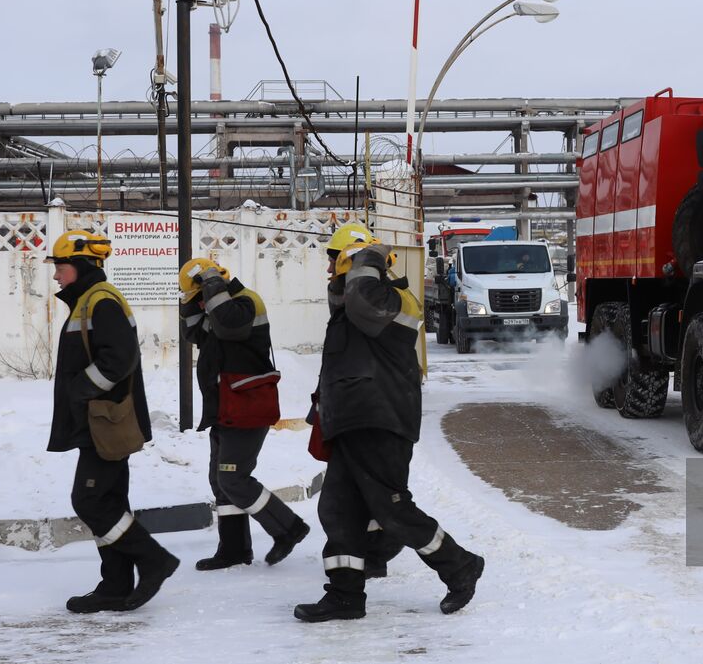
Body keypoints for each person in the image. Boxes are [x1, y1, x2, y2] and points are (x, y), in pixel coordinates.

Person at [294, 224, 485, 623]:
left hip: (381, 421)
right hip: (353, 421)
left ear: (353, 261)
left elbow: (363, 299)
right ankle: (345, 596)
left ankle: (459, 564)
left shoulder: (397, 301)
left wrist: (367, 256)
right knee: (338, 509)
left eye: (334, 261)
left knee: (392, 509)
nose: (329, 271)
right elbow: (345, 302)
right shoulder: (351, 310)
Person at [45, 229, 179, 614]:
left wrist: (80, 390)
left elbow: (119, 360)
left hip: (105, 423)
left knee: (88, 500)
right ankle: (115, 586)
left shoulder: (100, 301)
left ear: (81, 265)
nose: (56, 276)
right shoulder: (89, 300)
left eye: (61, 267)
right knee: (109, 501)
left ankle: (153, 560)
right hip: (99, 421)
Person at [178, 257, 310, 571]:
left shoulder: (244, 302)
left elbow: (230, 327)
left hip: (246, 405)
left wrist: (210, 285)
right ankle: (234, 549)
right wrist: (193, 301)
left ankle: (288, 528)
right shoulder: (217, 306)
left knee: (233, 478)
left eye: (201, 296)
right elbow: (194, 334)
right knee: (220, 480)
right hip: (225, 407)